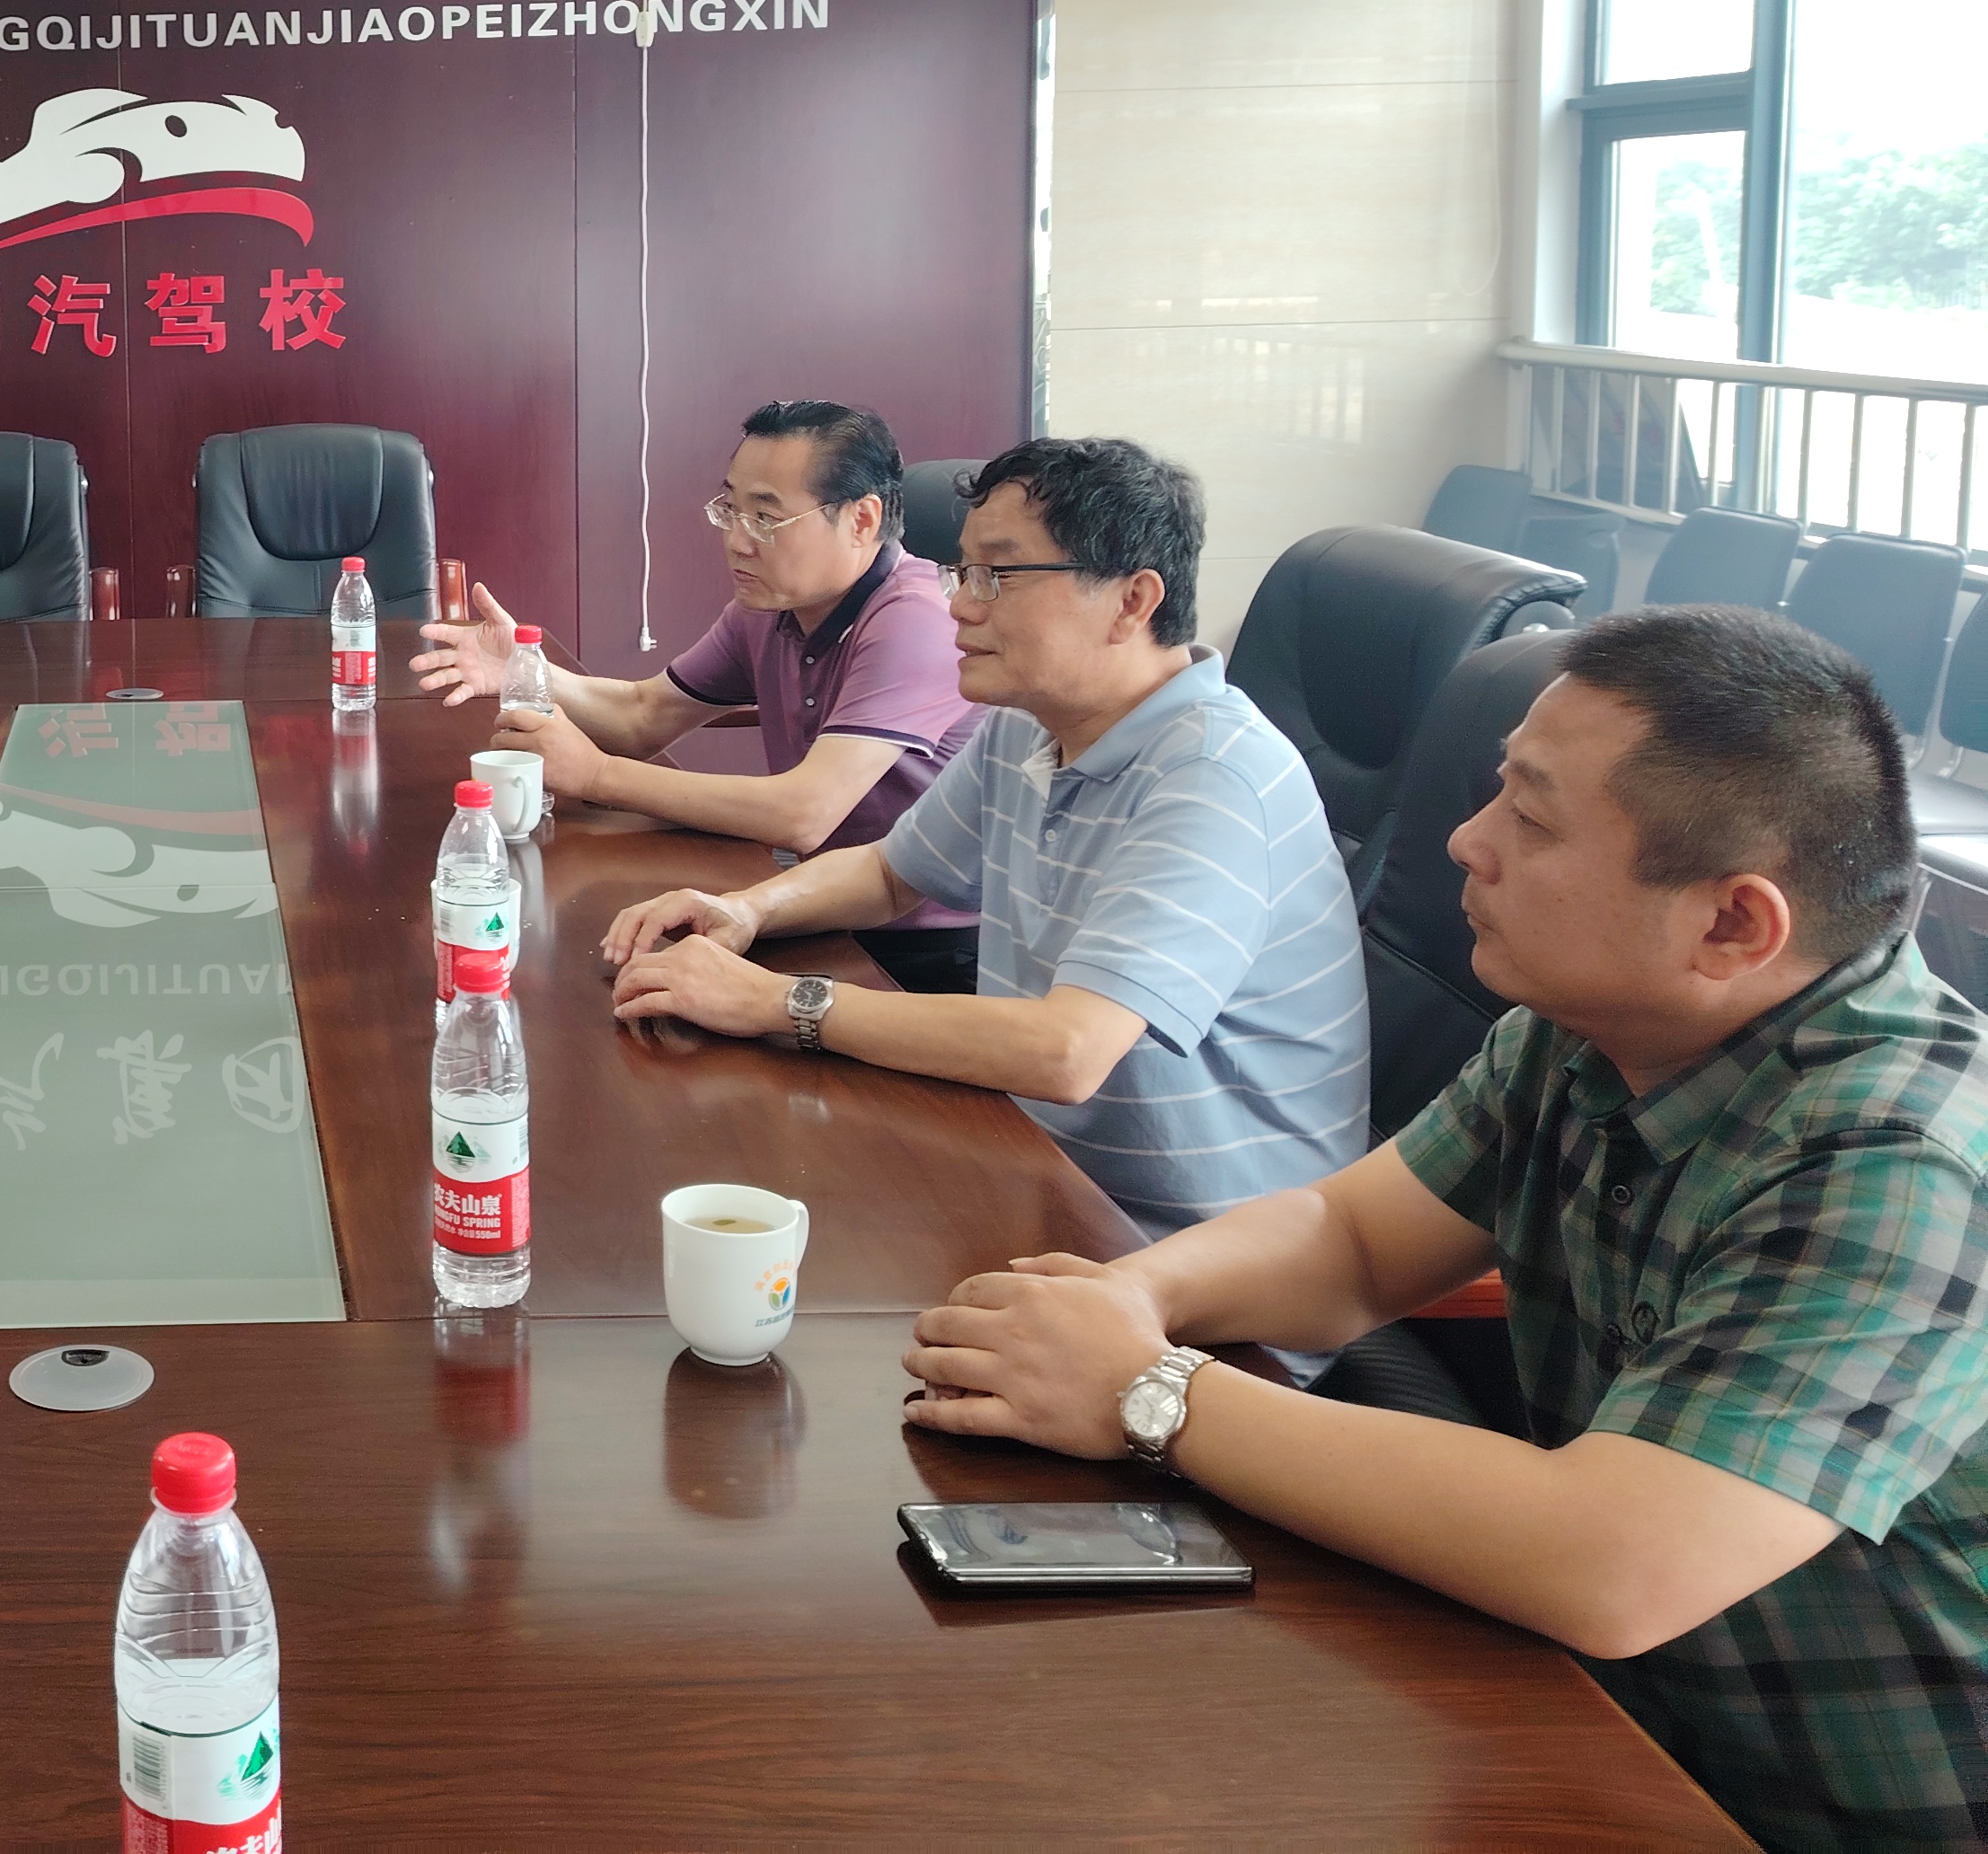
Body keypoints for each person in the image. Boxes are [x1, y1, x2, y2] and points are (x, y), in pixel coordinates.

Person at [899, 607, 1984, 1853]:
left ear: (1733, 924)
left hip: (1841, 1808)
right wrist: (1131, 1300)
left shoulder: (1903, 1160)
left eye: (1532, 818)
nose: (1469, 841)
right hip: (1601, 1712)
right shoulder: (1584, 1029)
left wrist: (1151, 1394)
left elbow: (1616, 1564)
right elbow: (1349, 1240)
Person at [600, 436, 1367, 1249]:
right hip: (1040, 1172)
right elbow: (892, 873)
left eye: (996, 576)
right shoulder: (1027, 725)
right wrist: (748, 910)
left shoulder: (1214, 776)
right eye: (960, 572)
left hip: (1199, 1252)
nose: (960, 606)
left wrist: (779, 1003)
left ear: (1132, 602)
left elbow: (1067, 1051)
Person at [415, 398, 984, 987]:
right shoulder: (769, 607)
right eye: (731, 510)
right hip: (808, 904)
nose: (737, 541)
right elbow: (644, 716)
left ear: (861, 521)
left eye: (765, 519)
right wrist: (525, 666)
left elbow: (804, 812)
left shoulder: (916, 621)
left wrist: (597, 775)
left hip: (925, 949)